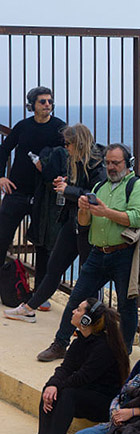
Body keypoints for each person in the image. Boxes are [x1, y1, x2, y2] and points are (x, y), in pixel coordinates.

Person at [36, 144, 140, 362]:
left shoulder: (138, 187)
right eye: (108, 162)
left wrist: (105, 212)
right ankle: (60, 344)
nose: (111, 167)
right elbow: (84, 224)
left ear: (129, 164)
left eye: (116, 163)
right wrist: (83, 210)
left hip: (124, 254)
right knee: (76, 300)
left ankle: (122, 353)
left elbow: (137, 218)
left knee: (126, 307)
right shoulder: (100, 186)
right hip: (98, 253)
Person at [5, 124, 105, 323]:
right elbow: (79, 188)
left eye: (68, 143)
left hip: (90, 226)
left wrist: (68, 189)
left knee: (88, 274)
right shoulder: (75, 160)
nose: (65, 147)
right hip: (72, 220)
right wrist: (65, 182)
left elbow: (96, 197)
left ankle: (92, 319)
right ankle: (30, 307)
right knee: (54, 266)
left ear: (79, 143)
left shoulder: (97, 164)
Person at [20, 298, 128, 434]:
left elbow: (84, 376)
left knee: (67, 393)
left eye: (78, 310)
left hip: (104, 402)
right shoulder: (79, 343)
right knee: (50, 389)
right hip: (85, 393)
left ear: (87, 320)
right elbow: (65, 369)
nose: (73, 312)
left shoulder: (104, 347)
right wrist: (52, 385)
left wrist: (58, 387)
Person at [0, 86, 66, 290]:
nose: (48, 105)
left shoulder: (59, 128)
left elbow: (68, 155)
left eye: (50, 101)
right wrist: (1, 177)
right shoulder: (23, 127)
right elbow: (4, 149)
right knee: (2, 237)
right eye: (43, 102)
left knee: (43, 245)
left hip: (44, 195)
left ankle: (40, 293)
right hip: (16, 191)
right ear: (32, 105)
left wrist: (63, 178)